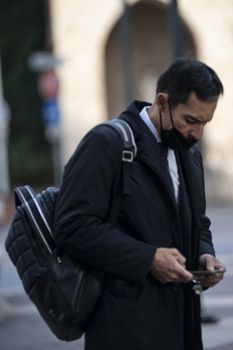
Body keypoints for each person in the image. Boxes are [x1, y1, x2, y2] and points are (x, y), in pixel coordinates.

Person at [54, 58, 226, 350]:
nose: (197, 134)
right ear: (162, 101)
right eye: (191, 120)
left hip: (182, 323)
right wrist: (148, 259)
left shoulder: (190, 154)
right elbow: (72, 226)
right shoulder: (106, 143)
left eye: (205, 123)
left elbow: (198, 222)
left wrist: (204, 255)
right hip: (125, 327)